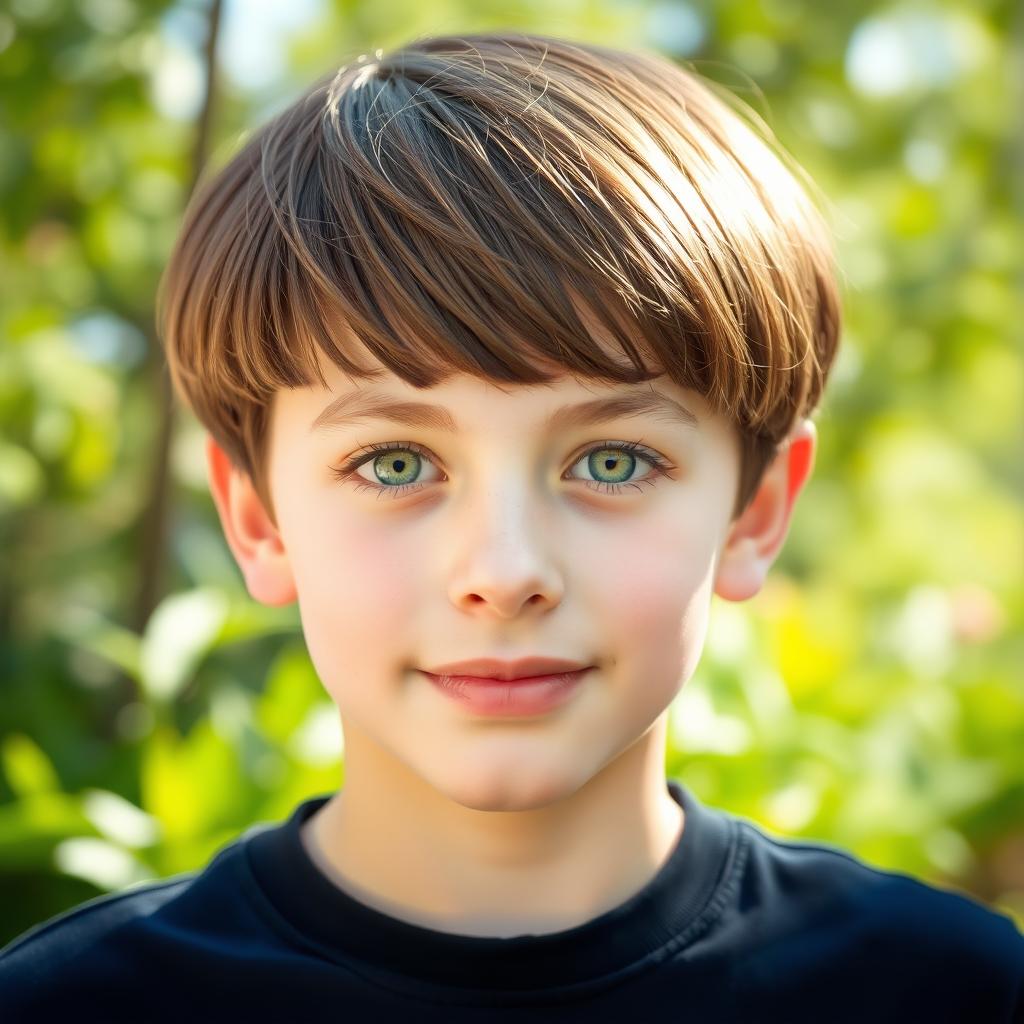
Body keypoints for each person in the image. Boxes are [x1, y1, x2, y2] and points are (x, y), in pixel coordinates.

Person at [2, 29, 1021, 1022]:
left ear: (754, 511)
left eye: (611, 462)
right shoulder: (69, 1005)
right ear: (259, 520)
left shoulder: (953, 991)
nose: (503, 571)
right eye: (394, 464)